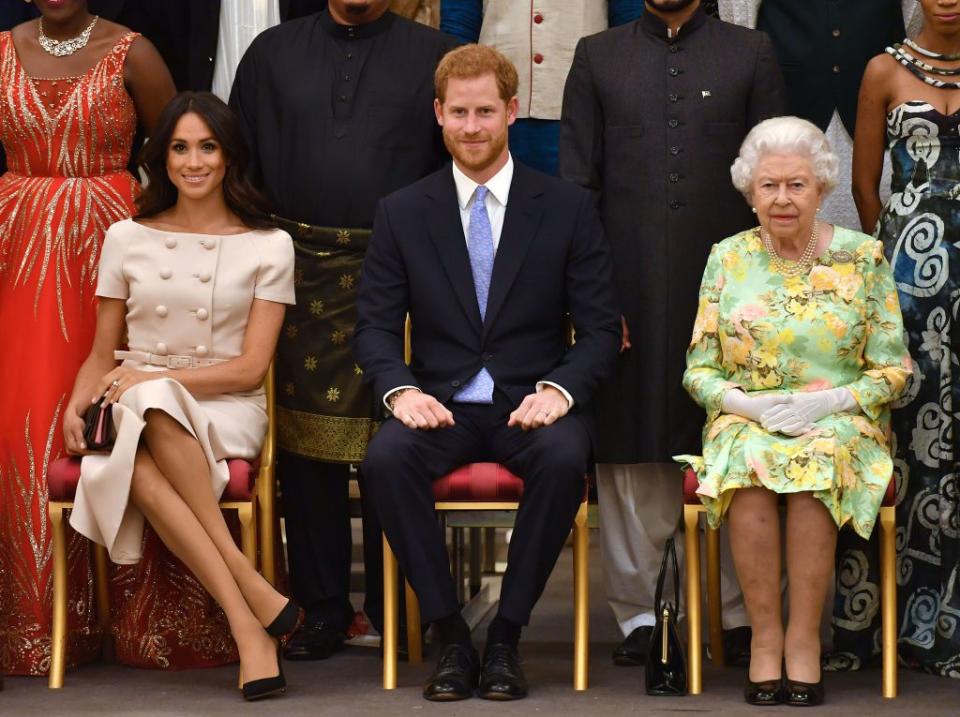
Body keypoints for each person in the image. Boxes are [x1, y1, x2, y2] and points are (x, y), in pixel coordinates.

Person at [355, 44, 620, 701]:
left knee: (564, 457)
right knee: (385, 459)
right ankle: (449, 632)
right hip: (438, 402)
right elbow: (376, 329)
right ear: (438, 114)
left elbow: (601, 331)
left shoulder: (564, 207)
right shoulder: (402, 211)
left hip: (529, 403)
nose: (472, 127)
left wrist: (559, 390)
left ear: (511, 111)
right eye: (459, 113)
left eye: (485, 112)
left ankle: (505, 635)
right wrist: (399, 389)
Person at [559, 0, 787, 668]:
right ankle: (638, 614)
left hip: (734, 291)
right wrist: (595, 302)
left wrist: (768, 299)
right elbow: (578, 188)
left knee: (734, 442)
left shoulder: (752, 53)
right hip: (625, 287)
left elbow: (773, 183)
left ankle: (741, 612)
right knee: (633, 446)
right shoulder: (598, 56)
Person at [229, 0, 458, 660]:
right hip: (296, 272)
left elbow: (456, 165)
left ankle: (402, 604)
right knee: (305, 452)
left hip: (404, 273)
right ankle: (323, 607)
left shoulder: (434, 54)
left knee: (401, 441)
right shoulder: (273, 53)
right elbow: (241, 164)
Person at [64, 91, 299, 701]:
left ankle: (249, 612)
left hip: (225, 405)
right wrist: (75, 403)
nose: (193, 161)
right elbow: (102, 350)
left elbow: (250, 368)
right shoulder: (126, 236)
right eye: (179, 147)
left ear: (229, 157)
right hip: (134, 398)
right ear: (162, 158)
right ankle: (251, 609)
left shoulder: (269, 244)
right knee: (138, 427)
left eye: (207, 147)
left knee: (145, 418)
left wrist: (152, 381)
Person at [677, 115, 911, 706]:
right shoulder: (725, 259)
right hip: (747, 415)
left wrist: (832, 400)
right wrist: (746, 405)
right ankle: (765, 638)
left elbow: (893, 368)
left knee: (815, 466)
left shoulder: (864, 258)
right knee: (752, 466)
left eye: (797, 185)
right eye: (769, 185)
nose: (782, 199)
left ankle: (805, 639)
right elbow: (698, 369)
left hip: (839, 419)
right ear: (749, 190)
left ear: (822, 186)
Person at [0, 0, 175, 676]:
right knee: (27, 415)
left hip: (113, 243)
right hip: (18, 247)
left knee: (114, 408)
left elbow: (177, 149)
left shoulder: (135, 52)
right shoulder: (4, 49)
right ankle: (39, 619)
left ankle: (137, 614)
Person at [851, 0, 960, 680]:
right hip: (908, 286)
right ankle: (902, 623)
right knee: (908, 441)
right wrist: (893, 266)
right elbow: (867, 187)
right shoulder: (883, 70)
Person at [439, 0, 644, 175]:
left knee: (574, 209)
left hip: (585, 109)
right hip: (493, 111)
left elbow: (630, 24)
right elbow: (458, 25)